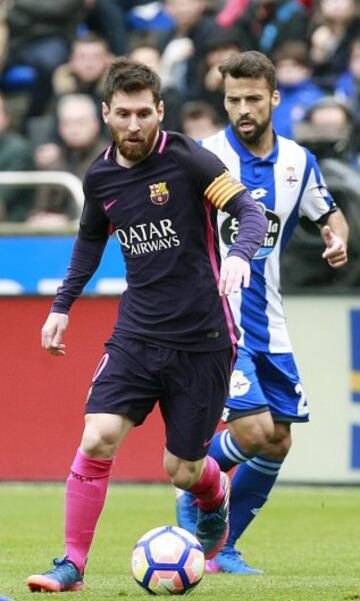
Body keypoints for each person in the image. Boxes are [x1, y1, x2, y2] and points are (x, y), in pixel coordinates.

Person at [26, 57, 268, 592]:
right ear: (106, 112)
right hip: (137, 334)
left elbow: (249, 212)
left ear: (160, 110)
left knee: (182, 469)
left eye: (144, 114)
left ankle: (213, 494)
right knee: (97, 437)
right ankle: (71, 565)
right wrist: (62, 305)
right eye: (123, 114)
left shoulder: (189, 160)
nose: (134, 126)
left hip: (203, 338)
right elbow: (91, 238)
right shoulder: (101, 176)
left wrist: (241, 255)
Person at [176, 50, 349, 574]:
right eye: (233, 100)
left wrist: (335, 237)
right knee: (252, 433)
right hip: (215, 322)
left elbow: (329, 213)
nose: (243, 109)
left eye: (253, 99)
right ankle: (197, 486)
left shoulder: (299, 162)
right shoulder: (202, 155)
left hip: (269, 323)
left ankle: (223, 547)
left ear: (275, 98)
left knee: (277, 440)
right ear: (223, 101)